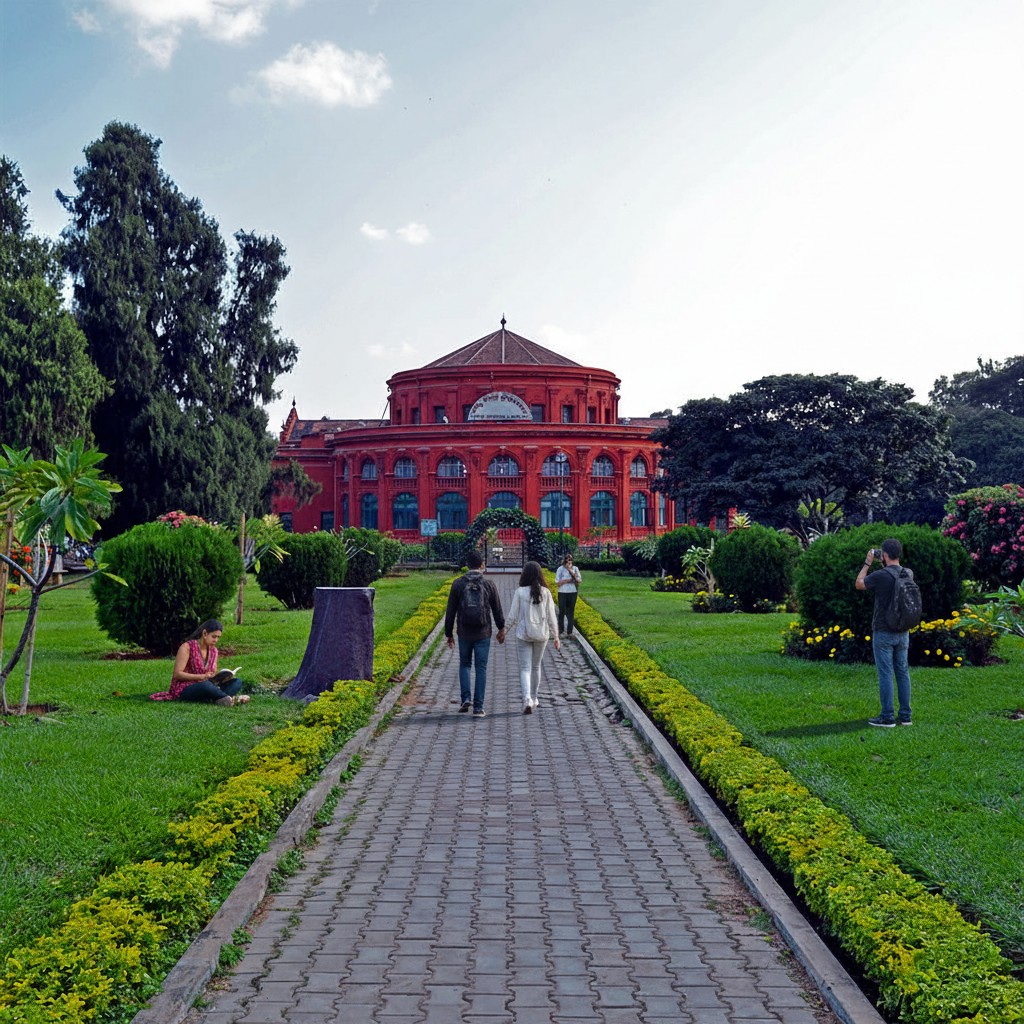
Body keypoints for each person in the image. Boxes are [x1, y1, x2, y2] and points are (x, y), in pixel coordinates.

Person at [855, 539, 913, 727]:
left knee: (886, 673)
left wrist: (867, 562)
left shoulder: (881, 575)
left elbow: (859, 584)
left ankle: (887, 716)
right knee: (902, 672)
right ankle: (905, 716)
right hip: (903, 630)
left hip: (883, 630)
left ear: (885, 555)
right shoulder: (908, 573)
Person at [444, 550, 506, 717]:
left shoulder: (458, 584)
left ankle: (465, 698)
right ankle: (478, 707)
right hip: (483, 632)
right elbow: (497, 609)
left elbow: (450, 611)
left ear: (467, 565)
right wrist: (501, 628)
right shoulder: (489, 584)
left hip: (464, 631)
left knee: (464, 664)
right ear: (482, 565)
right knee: (481, 668)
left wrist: (448, 633)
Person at [504, 560, 560, 715]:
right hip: (542, 634)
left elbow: (512, 616)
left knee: (525, 668)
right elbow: (551, 617)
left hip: (523, 634)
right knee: (536, 667)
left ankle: (526, 698)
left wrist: (503, 631)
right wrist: (556, 636)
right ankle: (535, 698)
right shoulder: (546, 593)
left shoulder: (520, 592)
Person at [150, 619, 249, 706]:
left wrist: (220, 677)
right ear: (205, 633)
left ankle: (220, 698)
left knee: (237, 682)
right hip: (185, 688)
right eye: (214, 636)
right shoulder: (187, 647)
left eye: (218, 637)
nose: (216, 640)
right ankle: (230, 699)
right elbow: (177, 674)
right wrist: (201, 677)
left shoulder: (214, 651)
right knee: (205, 686)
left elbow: (211, 674)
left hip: (206, 685)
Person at [554, 553, 582, 636]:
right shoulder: (560, 569)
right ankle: (561, 629)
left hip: (572, 592)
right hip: (562, 592)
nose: (568, 562)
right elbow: (558, 582)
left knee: (571, 611)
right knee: (562, 611)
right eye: (567, 560)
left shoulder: (575, 569)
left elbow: (578, 580)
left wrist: (570, 571)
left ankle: (570, 630)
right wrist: (568, 580)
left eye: (570, 560)